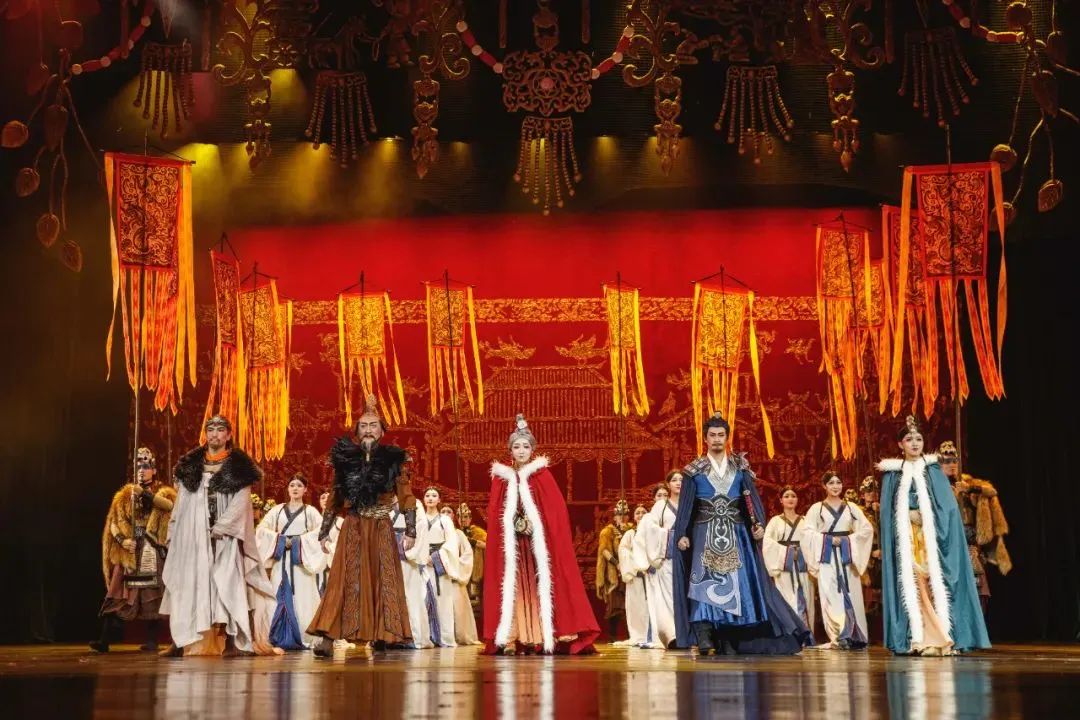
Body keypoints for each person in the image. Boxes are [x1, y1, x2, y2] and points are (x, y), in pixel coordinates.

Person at [672, 412, 809, 655]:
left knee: (737, 584)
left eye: (721, 435)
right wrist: (682, 532)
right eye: (712, 435)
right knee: (703, 581)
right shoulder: (693, 471)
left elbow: (751, 502)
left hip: (737, 533)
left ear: (727, 438)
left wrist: (758, 526)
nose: (716, 439)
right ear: (705, 439)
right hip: (704, 531)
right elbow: (686, 507)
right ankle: (704, 634)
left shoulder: (740, 468)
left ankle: (729, 636)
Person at [308, 394, 417, 657]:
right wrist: (324, 531)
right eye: (363, 426)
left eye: (373, 425)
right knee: (343, 578)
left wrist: (411, 529)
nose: (368, 430)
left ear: (381, 431)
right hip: (354, 525)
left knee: (383, 578)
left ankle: (383, 634)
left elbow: (406, 495)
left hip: (381, 526)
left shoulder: (393, 459)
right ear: (357, 431)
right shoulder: (346, 459)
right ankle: (328, 636)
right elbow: (335, 496)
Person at [482, 414, 600, 655]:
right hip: (513, 546)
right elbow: (495, 514)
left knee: (541, 584)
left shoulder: (542, 476)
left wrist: (535, 526)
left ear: (532, 450)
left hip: (538, 546)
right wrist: (513, 524)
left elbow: (555, 513)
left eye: (526, 446)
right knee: (514, 586)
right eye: (517, 446)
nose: (521, 451)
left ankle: (542, 635)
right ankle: (514, 636)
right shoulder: (501, 479)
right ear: (510, 450)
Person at [160, 415, 276, 657]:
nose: (214, 434)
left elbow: (241, 503)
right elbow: (181, 503)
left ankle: (233, 642)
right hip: (193, 536)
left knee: (227, 583)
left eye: (220, 429)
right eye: (210, 429)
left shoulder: (238, 468)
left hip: (225, 537)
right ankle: (180, 641)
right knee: (189, 584)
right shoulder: (190, 466)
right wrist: (174, 531)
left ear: (228, 435)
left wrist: (223, 526)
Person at [877, 416, 990, 656]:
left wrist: (928, 516)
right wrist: (906, 514)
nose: (914, 443)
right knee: (913, 585)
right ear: (900, 444)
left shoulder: (933, 471)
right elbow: (887, 514)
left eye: (918, 439)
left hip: (933, 541)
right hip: (907, 541)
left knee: (936, 584)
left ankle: (941, 636)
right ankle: (918, 637)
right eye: (909, 439)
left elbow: (948, 509)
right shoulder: (892, 475)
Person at [91, 447, 176, 653]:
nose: (141, 471)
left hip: (150, 546)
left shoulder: (162, 492)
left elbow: (169, 506)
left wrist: (145, 494)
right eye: (138, 467)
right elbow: (114, 521)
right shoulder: (124, 495)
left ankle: (152, 641)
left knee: (152, 593)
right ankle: (104, 640)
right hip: (130, 548)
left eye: (145, 466)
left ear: (153, 470)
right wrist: (123, 540)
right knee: (117, 591)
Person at [939, 441, 1012, 616]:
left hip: (970, 544)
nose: (952, 464)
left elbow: (991, 491)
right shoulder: (936, 488)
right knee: (949, 593)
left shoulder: (968, 483)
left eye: (954, 460)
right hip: (947, 545)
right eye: (947, 461)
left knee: (977, 590)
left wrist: (970, 488)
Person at [802, 472, 873, 649]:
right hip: (826, 556)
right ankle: (838, 635)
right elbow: (806, 533)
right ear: (824, 486)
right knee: (830, 595)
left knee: (851, 593)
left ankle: (854, 635)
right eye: (831, 483)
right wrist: (827, 540)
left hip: (847, 555)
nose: (835, 486)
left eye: (838, 482)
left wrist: (848, 540)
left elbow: (866, 530)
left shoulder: (851, 508)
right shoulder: (817, 508)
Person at [255, 474, 326, 650]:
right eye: (292, 485)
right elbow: (262, 529)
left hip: (300, 563)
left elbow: (322, 531)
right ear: (287, 489)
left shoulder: (310, 511)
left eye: (299, 485)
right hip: (281, 561)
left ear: (305, 490)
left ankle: (304, 634)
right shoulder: (277, 510)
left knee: (303, 597)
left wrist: (297, 542)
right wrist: (280, 540)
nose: (295, 488)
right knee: (277, 594)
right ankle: (277, 635)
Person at [762, 486, 816, 640]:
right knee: (787, 599)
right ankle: (791, 636)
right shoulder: (775, 521)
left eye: (793, 496)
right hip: (784, 567)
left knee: (806, 598)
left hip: (803, 565)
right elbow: (768, 543)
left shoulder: (805, 521)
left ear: (798, 499)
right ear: (781, 500)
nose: (790, 499)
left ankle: (806, 636)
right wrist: (788, 553)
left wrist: (802, 553)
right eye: (786, 496)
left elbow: (813, 542)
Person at [635, 475, 680, 648]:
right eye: (674, 480)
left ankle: (685, 633)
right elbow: (648, 532)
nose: (678, 483)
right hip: (666, 558)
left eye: (681, 480)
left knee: (681, 597)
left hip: (684, 558)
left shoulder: (686, 504)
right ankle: (670, 634)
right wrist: (669, 536)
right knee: (666, 599)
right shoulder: (660, 507)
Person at [422, 487, 461, 648]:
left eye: (434, 495)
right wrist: (422, 556)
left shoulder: (445, 520)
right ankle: (425, 637)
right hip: (422, 563)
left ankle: (444, 637)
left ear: (439, 500)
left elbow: (452, 543)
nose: (430, 498)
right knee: (422, 599)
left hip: (440, 563)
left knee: (443, 600)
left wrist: (436, 557)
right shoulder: (419, 518)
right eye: (427, 495)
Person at [440, 505, 483, 645]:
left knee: (458, 608)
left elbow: (467, 554)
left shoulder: (458, 533)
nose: (446, 513)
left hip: (455, 577)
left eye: (449, 511)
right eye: (443, 511)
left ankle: (460, 635)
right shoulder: (435, 531)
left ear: (454, 516)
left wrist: (455, 568)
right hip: (439, 575)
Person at [393, 496, 433, 648]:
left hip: (406, 558)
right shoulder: (384, 501)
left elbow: (421, 527)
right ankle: (389, 637)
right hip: (387, 556)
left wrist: (405, 551)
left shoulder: (414, 503)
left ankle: (413, 636)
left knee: (410, 596)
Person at [595, 499, 630, 642]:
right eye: (619, 514)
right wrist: (617, 564)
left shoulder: (632, 530)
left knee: (630, 606)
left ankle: (632, 635)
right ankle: (612, 636)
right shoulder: (607, 531)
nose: (622, 517)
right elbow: (604, 551)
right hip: (614, 572)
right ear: (614, 516)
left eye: (625, 514)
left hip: (630, 571)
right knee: (614, 606)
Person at [617, 504, 652, 647]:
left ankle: (653, 635)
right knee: (636, 606)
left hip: (651, 575)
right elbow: (623, 551)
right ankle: (639, 635)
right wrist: (635, 566)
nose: (641, 515)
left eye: (644, 512)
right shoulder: (630, 534)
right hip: (635, 575)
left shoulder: (653, 532)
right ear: (634, 517)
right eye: (637, 513)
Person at [457, 503, 486, 606]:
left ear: (470, 518)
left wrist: (472, 542)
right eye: (460, 517)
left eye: (465, 517)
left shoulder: (477, 531)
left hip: (475, 567)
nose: (463, 520)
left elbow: (487, 545)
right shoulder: (456, 532)